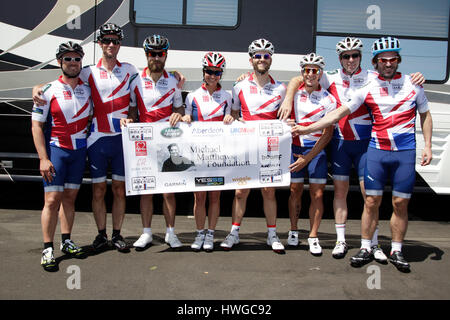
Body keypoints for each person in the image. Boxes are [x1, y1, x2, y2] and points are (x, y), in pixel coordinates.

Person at [291, 37, 433, 272]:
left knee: (372, 197)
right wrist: (291, 103)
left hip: (367, 143)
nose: (350, 60)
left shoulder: (371, 77)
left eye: (354, 55)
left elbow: (415, 101)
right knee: (341, 192)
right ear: (340, 59)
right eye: (345, 56)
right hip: (340, 143)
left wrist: (416, 76)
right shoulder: (332, 77)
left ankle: (375, 244)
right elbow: (302, 78)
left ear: (362, 57)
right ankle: (341, 240)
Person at [220, 38, 286, 253]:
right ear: (251, 60)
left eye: (266, 55)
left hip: (269, 146)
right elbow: (235, 113)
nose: (262, 59)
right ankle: (234, 233)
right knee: (240, 192)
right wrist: (231, 119)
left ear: (271, 60)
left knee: (268, 191)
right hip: (247, 145)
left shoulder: (281, 88)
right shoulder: (239, 86)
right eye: (257, 55)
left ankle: (272, 234)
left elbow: (284, 117)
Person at [31, 41, 91, 271]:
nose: (73, 63)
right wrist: (43, 158)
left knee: (69, 199)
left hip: (78, 152)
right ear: (59, 62)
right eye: (68, 59)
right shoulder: (47, 91)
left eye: (77, 59)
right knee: (51, 201)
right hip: (56, 150)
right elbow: (37, 126)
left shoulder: (87, 89)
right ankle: (47, 247)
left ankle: (66, 240)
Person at [121, 34, 185, 250]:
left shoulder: (174, 81)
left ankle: (170, 233)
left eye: (160, 54)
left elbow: (179, 107)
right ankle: (146, 233)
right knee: (146, 190)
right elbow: (132, 108)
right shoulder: (135, 80)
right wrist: (130, 119)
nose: (156, 57)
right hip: (145, 144)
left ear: (165, 55)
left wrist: (179, 114)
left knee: (168, 191)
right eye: (152, 53)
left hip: (167, 142)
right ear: (146, 55)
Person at [182, 52, 234, 252]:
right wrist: (186, 119)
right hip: (198, 155)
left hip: (218, 155)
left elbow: (232, 118)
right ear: (203, 72)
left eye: (217, 72)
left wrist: (230, 119)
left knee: (215, 197)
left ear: (221, 73)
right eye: (209, 71)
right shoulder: (193, 96)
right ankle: (199, 232)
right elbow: (187, 117)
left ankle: (211, 234)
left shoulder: (227, 96)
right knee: (199, 197)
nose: (212, 75)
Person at [287, 53, 335, 256]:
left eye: (315, 70)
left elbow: (328, 133)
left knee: (317, 193)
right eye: (307, 70)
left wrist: (308, 157)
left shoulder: (328, 98)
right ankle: (294, 230)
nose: (311, 74)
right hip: (295, 147)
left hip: (316, 150)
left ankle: (313, 236)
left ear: (320, 74)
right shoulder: (292, 94)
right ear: (302, 73)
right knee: (294, 191)